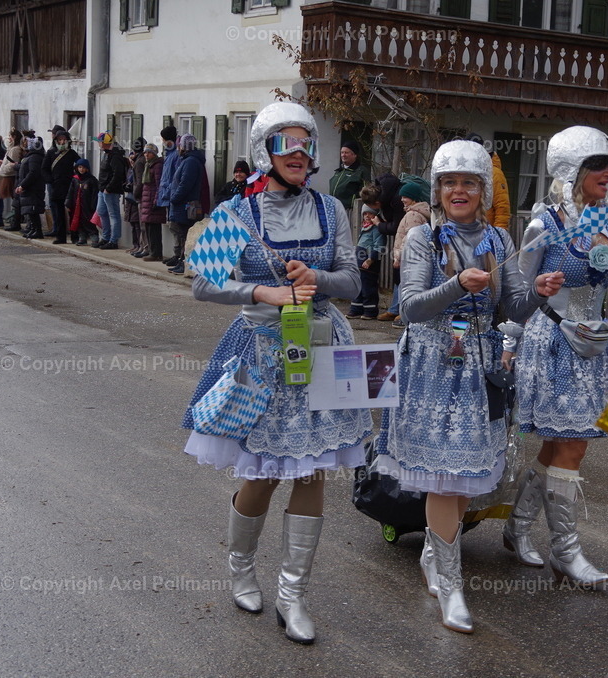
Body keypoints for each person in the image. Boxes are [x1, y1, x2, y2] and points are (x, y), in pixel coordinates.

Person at [182, 101, 372, 645]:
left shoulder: (332, 209)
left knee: (311, 472)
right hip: (262, 352)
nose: (297, 153)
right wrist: (262, 290)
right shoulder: (236, 213)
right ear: (264, 152)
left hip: (319, 348)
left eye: (305, 144)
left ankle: (293, 594)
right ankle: (242, 569)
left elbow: (353, 286)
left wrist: (318, 276)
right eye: (285, 144)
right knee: (262, 474)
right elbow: (201, 284)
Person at [374, 140, 563, 633]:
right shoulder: (423, 238)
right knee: (443, 476)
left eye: (469, 182)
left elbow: (512, 309)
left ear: (483, 190)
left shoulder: (501, 240)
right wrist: (458, 285)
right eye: (450, 182)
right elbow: (411, 306)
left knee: (462, 479)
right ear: (438, 190)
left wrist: (539, 295)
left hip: (481, 370)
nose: (459, 190)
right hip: (433, 368)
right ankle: (452, 587)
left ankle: (435, 557)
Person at [501, 126, 608, 586]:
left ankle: (516, 527)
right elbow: (519, 290)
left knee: (559, 445)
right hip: (553, 344)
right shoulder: (544, 224)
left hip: (593, 348)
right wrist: (509, 343)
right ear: (573, 172)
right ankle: (566, 552)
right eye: (598, 165)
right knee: (572, 446)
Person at [378, 180, 431, 326]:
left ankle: (405, 316)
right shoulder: (416, 213)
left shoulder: (413, 215)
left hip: (408, 258)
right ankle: (398, 311)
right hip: (411, 257)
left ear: (413, 198)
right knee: (402, 284)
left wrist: (399, 257)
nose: (402, 199)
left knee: (406, 286)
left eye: (405, 197)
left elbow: (409, 238)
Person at [166, 133, 207, 274]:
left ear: (184, 146)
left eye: (180, 145)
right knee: (182, 234)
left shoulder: (191, 162)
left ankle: (185, 264)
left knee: (184, 235)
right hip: (182, 204)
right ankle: (181, 263)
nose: (178, 147)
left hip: (185, 205)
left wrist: (174, 198)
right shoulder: (188, 160)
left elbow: (185, 184)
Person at [346, 204, 384, 320]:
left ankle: (370, 310)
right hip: (360, 263)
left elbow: (379, 246)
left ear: (376, 215)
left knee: (368, 288)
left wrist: (370, 259)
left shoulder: (377, 229)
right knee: (358, 286)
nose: (367, 216)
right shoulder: (365, 227)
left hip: (369, 264)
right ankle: (356, 309)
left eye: (370, 213)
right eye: (365, 214)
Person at [42, 129, 80, 244]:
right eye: (60, 140)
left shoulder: (72, 153)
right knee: (58, 214)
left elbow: (80, 166)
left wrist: (76, 179)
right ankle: (60, 237)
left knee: (72, 212)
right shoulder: (51, 153)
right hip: (56, 186)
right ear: (56, 141)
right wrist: (50, 181)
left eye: (64, 140)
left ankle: (75, 236)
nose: (62, 142)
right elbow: (44, 169)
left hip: (69, 187)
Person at [466, 133, 510, 229]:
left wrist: (499, 233)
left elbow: (502, 206)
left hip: (486, 232)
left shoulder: (495, 173)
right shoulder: (463, 172)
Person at [94, 131, 127, 249]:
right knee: (102, 211)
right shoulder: (107, 153)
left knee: (113, 214)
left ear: (104, 143)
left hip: (110, 191)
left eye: (99, 141)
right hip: (102, 189)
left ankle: (114, 240)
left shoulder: (115, 155)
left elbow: (117, 174)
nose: (98, 144)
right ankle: (106, 237)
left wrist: (109, 188)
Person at [136, 143, 167, 261]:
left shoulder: (157, 165)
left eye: (149, 152)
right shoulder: (148, 165)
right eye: (145, 152)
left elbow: (159, 184)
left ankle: (156, 253)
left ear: (154, 154)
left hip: (152, 200)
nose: (146, 154)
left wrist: (156, 200)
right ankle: (152, 251)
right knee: (148, 227)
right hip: (147, 200)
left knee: (154, 229)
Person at [156, 125, 182, 266]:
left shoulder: (175, 155)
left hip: (172, 195)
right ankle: (176, 254)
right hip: (167, 194)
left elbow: (175, 178)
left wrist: (169, 193)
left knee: (176, 227)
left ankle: (178, 255)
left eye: (164, 139)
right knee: (173, 226)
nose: (163, 141)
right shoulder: (169, 153)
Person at [15, 135, 47, 239]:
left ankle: (37, 230)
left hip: (33, 188)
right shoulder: (31, 156)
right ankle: (33, 229)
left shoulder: (35, 157)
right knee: (30, 210)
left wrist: (23, 185)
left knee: (33, 209)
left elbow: (33, 173)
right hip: (30, 188)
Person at [65, 159, 100, 246]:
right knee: (79, 221)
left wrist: (93, 205)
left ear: (87, 169)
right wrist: (68, 204)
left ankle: (94, 237)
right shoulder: (75, 179)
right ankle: (82, 237)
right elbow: (70, 192)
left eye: (83, 167)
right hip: (77, 205)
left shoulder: (92, 180)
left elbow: (95, 194)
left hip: (87, 205)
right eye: (79, 167)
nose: (81, 169)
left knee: (89, 221)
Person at [328, 140, 370, 210]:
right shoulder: (338, 172)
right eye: (342, 152)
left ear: (355, 155)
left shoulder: (361, 171)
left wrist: (351, 203)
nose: (343, 155)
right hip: (334, 210)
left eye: (346, 153)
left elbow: (366, 194)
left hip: (351, 212)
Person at [124, 137, 147, 256]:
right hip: (133, 194)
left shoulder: (140, 161)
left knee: (137, 223)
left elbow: (139, 180)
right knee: (133, 222)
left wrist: (136, 193)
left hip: (136, 196)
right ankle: (136, 245)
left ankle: (140, 246)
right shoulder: (136, 161)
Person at [0, 129, 24, 232]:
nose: (8, 138)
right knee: (14, 201)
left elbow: (13, 165)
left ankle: (16, 221)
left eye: (10, 136)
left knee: (16, 201)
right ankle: (15, 220)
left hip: (11, 177)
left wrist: (4, 168)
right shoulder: (11, 148)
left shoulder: (15, 150)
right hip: (9, 175)